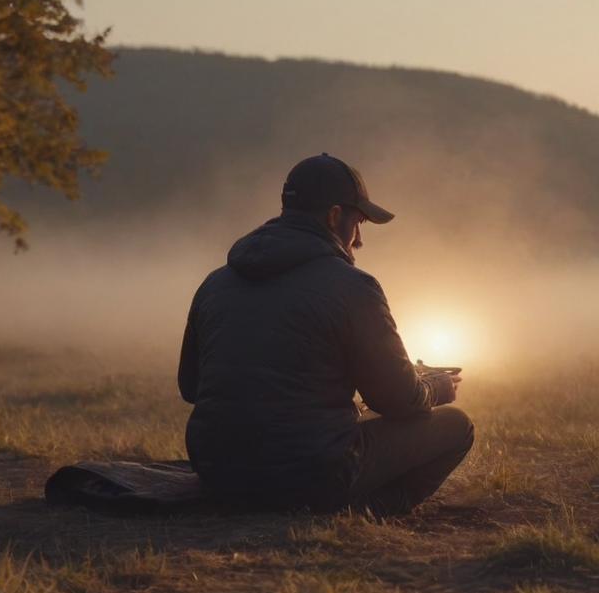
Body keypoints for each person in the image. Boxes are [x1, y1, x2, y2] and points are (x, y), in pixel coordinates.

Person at [177, 153, 474, 515]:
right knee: (457, 427)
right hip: (308, 477)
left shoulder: (215, 282)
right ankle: (366, 511)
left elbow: (191, 388)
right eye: (359, 221)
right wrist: (435, 385)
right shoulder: (354, 287)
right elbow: (398, 401)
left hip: (217, 474)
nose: (359, 238)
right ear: (335, 216)